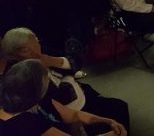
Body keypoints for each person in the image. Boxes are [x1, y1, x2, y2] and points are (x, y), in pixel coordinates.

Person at [2, 28, 131, 133]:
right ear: (14, 55)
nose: (35, 52)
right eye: (26, 50)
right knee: (117, 112)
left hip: (81, 94)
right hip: (74, 104)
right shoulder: (24, 82)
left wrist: (53, 60)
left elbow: (75, 63)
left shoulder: (42, 55)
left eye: (36, 43)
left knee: (118, 108)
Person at [0, 59, 128, 136]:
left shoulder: (38, 99)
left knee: (118, 110)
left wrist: (108, 121)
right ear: (35, 90)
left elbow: (73, 115)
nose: (50, 81)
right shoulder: (25, 123)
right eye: (47, 78)